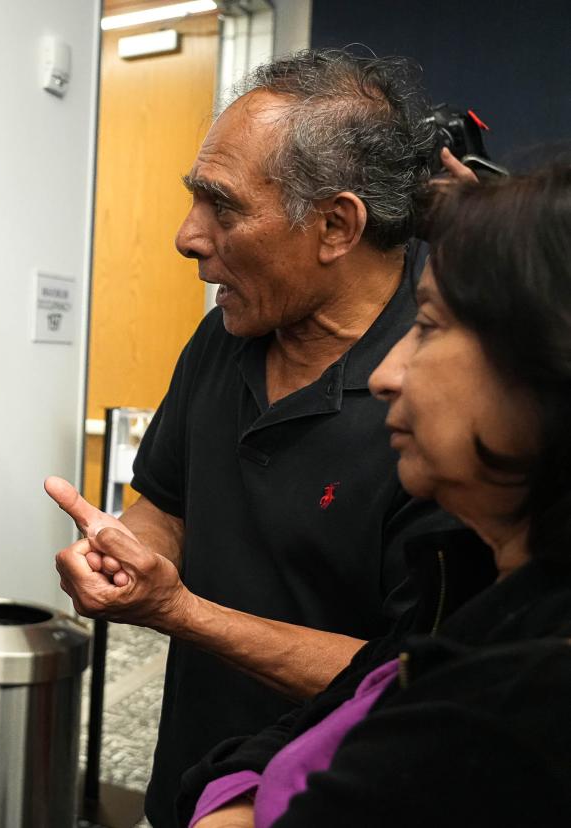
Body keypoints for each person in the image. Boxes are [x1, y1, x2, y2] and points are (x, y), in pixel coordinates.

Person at [45, 49, 457, 826]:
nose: (185, 236)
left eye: (222, 207)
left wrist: (182, 612)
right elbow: (164, 505)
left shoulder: (441, 390)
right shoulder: (226, 336)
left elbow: (414, 678)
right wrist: (127, 556)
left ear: (337, 224)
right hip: (188, 786)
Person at [179, 163, 571, 827]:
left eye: (430, 325)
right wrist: (233, 795)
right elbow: (348, 700)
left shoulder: (524, 705)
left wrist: (178, 611)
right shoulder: (468, 583)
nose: (389, 373)